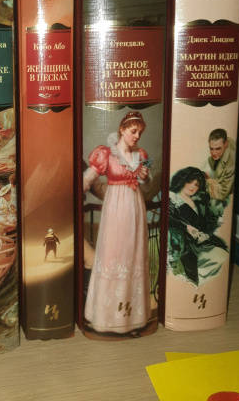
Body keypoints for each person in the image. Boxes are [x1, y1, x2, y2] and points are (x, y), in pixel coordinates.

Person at [83, 111, 150, 335]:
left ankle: (131, 320)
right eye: (133, 131)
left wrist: (145, 177)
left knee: (132, 256)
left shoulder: (141, 154)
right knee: (113, 254)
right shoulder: (106, 154)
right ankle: (106, 318)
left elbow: (146, 184)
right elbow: (88, 179)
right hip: (115, 209)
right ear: (122, 129)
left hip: (135, 208)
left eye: (140, 132)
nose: (137, 136)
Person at [168, 166, 228, 286]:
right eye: (190, 181)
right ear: (183, 180)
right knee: (217, 257)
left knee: (223, 254)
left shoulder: (198, 201)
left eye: (196, 185)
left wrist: (205, 233)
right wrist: (186, 227)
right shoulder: (173, 198)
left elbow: (207, 223)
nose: (192, 187)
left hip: (202, 242)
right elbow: (169, 218)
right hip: (185, 245)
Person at [203, 128, 235, 206]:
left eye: (218, 149)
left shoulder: (231, 164)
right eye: (211, 149)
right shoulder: (214, 158)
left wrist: (206, 181)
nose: (214, 153)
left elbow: (222, 194)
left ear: (226, 144)